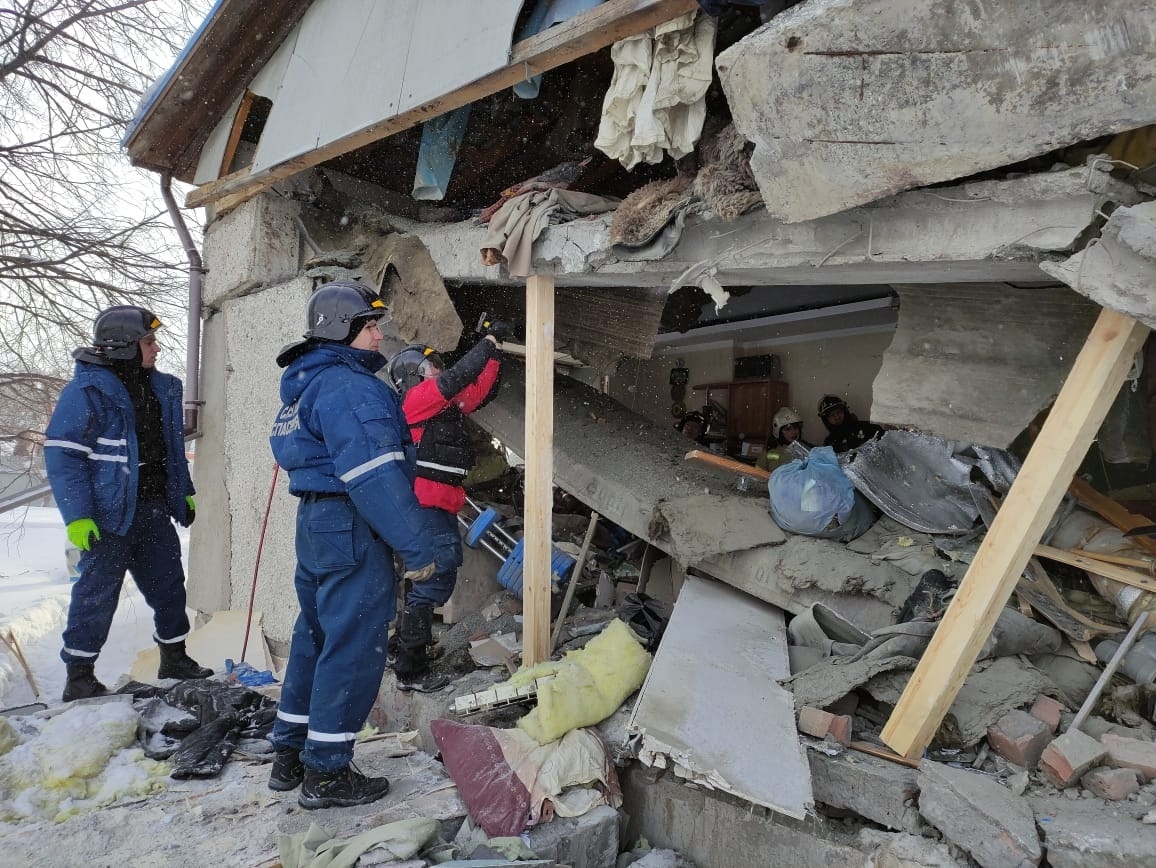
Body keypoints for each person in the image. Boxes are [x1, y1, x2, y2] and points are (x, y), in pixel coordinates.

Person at [266, 279, 436, 810]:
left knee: (315, 637)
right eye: (370, 325)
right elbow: (375, 475)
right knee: (355, 644)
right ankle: (328, 773)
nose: (379, 334)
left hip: (316, 524)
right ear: (341, 329)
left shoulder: (306, 385)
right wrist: (418, 546)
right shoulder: (349, 387)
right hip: (351, 521)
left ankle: (290, 754)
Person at [44, 305, 212, 703]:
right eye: (148, 341)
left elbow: (170, 450)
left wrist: (182, 490)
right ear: (123, 347)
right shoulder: (87, 391)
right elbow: (62, 455)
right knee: (97, 594)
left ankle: (175, 658)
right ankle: (80, 675)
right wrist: (78, 517)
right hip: (107, 516)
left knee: (169, 586)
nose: (156, 349)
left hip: (152, 509)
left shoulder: (161, 388)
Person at [386, 323, 506, 692]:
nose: (438, 370)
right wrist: (484, 342)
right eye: (431, 366)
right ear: (413, 374)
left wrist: (496, 351)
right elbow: (458, 377)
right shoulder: (416, 400)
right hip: (425, 503)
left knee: (428, 574)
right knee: (437, 573)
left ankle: (400, 648)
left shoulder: (444, 404)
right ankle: (411, 669)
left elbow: (481, 389)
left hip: (438, 501)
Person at [756, 406, 813, 472]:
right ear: (779, 432)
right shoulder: (769, 451)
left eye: (795, 428)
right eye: (788, 429)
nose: (793, 432)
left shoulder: (807, 450)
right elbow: (756, 476)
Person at [818, 395, 882, 453]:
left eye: (839, 412)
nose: (837, 417)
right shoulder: (829, 443)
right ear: (826, 420)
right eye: (832, 415)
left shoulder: (868, 427)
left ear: (845, 411)